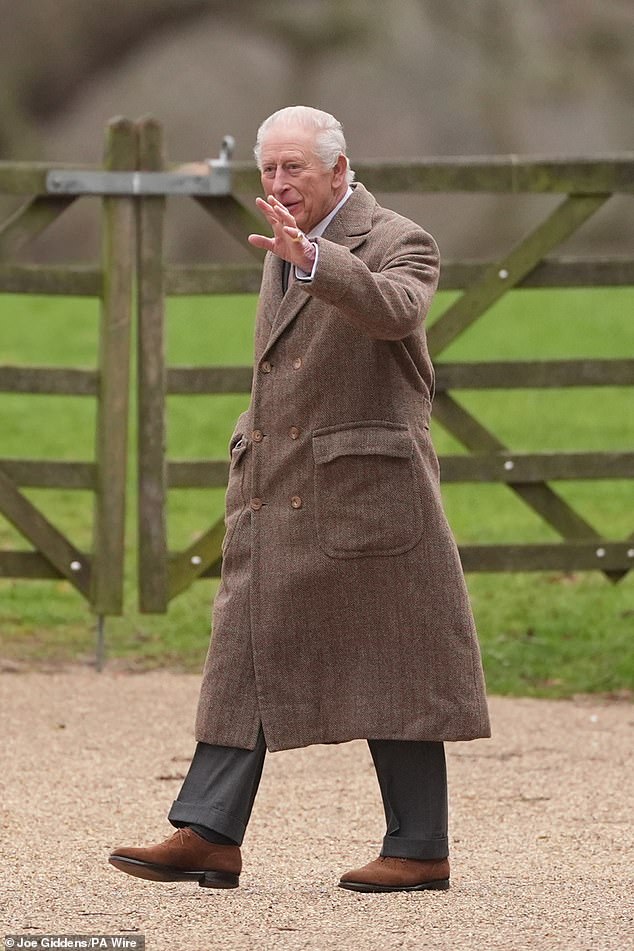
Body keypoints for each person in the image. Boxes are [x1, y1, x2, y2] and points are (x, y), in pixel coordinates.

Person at [109, 105, 490, 894]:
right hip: (277, 485)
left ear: (339, 169)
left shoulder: (399, 239)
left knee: (398, 659)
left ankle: (420, 847)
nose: (279, 183)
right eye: (269, 169)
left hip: (370, 493)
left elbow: (396, 310)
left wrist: (317, 260)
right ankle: (209, 831)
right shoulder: (284, 241)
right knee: (245, 645)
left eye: (295, 168)